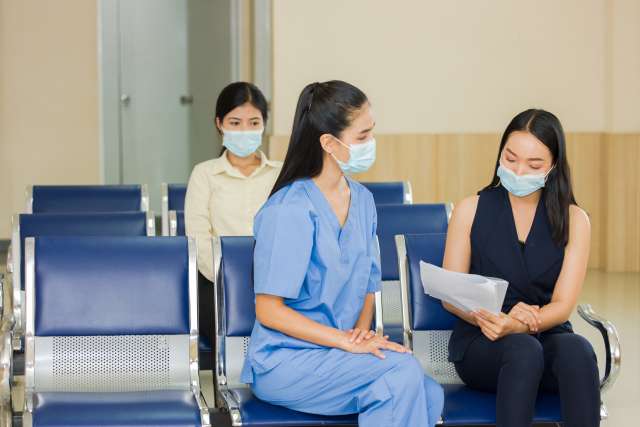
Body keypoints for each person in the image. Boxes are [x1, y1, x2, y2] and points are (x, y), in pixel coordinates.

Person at [241, 80, 444, 427]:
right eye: (362, 137)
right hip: (285, 359)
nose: (371, 144)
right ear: (328, 143)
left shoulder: (363, 201)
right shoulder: (289, 209)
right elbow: (269, 310)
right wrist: (346, 344)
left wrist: (360, 337)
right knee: (401, 376)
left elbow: (368, 286)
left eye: (372, 133)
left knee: (428, 392)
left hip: (338, 352)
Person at [443, 109, 600, 427]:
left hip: (545, 331)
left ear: (553, 166)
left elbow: (563, 305)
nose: (518, 170)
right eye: (510, 158)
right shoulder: (469, 210)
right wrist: (496, 320)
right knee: (524, 352)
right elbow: (450, 295)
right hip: (483, 339)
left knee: (579, 352)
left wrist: (527, 322)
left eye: (534, 165)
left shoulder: (574, 220)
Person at [185, 81, 282, 281]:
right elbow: (199, 240)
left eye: (254, 123)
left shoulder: (282, 172)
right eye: (235, 123)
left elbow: (293, 233)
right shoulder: (204, 174)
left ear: (264, 124)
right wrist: (228, 277)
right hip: (220, 282)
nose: (245, 130)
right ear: (219, 124)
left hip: (278, 282)